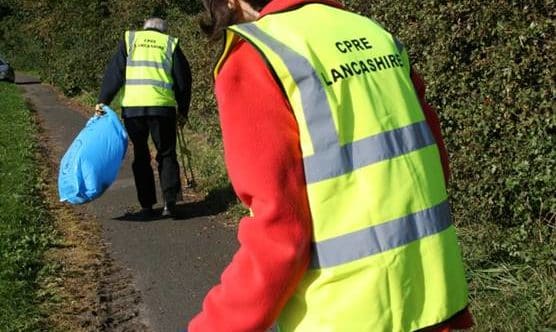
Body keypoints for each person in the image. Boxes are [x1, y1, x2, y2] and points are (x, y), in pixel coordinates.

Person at [189, 0, 473, 331]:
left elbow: (279, 233)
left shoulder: (255, 56)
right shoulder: (374, 33)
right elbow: (433, 164)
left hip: (344, 316)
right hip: (435, 305)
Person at [97, 17, 192, 219]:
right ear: (163, 31)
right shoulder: (169, 43)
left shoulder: (130, 40)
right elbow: (183, 80)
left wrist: (103, 101)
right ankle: (170, 204)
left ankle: (147, 207)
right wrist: (183, 110)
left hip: (133, 109)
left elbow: (114, 73)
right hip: (162, 108)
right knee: (166, 153)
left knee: (141, 155)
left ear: (145, 28)